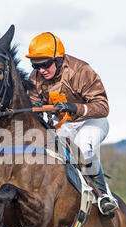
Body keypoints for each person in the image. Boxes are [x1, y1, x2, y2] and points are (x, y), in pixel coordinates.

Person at [26, 32, 118, 217]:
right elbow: (33, 105)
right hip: (64, 125)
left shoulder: (81, 71)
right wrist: (34, 107)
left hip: (91, 120)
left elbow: (103, 107)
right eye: (36, 65)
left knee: (83, 146)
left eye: (45, 64)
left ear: (58, 59)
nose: (41, 70)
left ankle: (104, 196)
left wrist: (73, 107)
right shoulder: (35, 78)